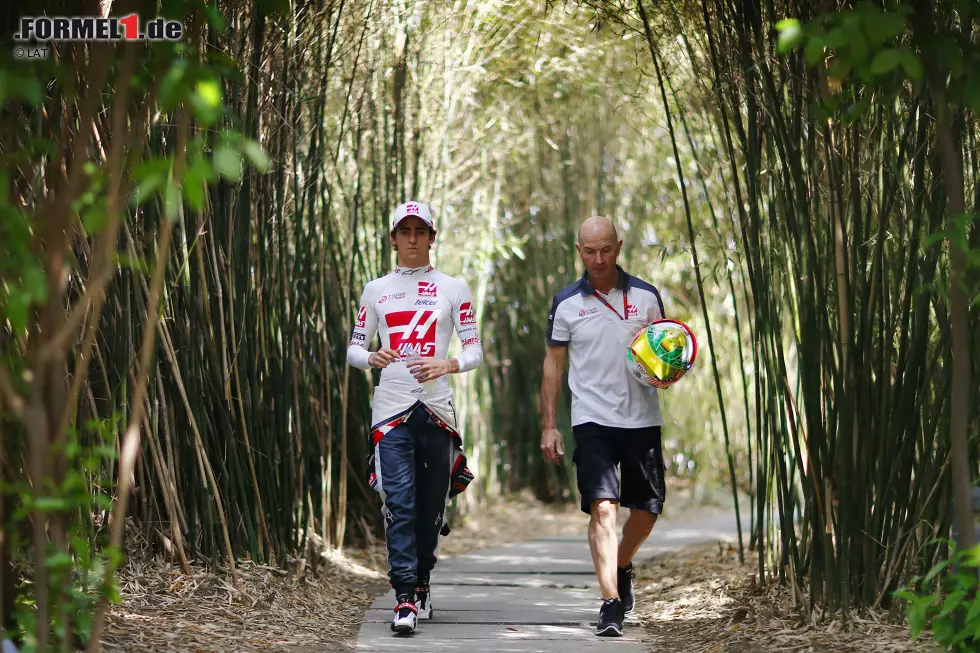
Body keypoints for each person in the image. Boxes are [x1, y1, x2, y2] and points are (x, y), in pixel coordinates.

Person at [347, 200, 484, 635]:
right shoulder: (375, 290)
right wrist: (372, 356)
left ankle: (423, 579)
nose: (411, 239)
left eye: (419, 231)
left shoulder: (453, 288)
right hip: (390, 411)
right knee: (399, 505)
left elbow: (475, 350)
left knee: (431, 510)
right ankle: (404, 596)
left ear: (431, 237)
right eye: (404, 231)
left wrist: (448, 365)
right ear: (392, 239)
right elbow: (353, 348)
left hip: (437, 409)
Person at [539, 216, 667, 637]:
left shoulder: (647, 297)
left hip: (642, 418)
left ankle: (622, 562)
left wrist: (670, 370)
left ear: (619, 246)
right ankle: (611, 602)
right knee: (604, 508)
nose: (598, 258)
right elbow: (554, 366)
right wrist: (550, 426)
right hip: (591, 419)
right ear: (579, 251)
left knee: (647, 511)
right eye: (590, 250)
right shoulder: (567, 303)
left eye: (606, 249)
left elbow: (665, 351)